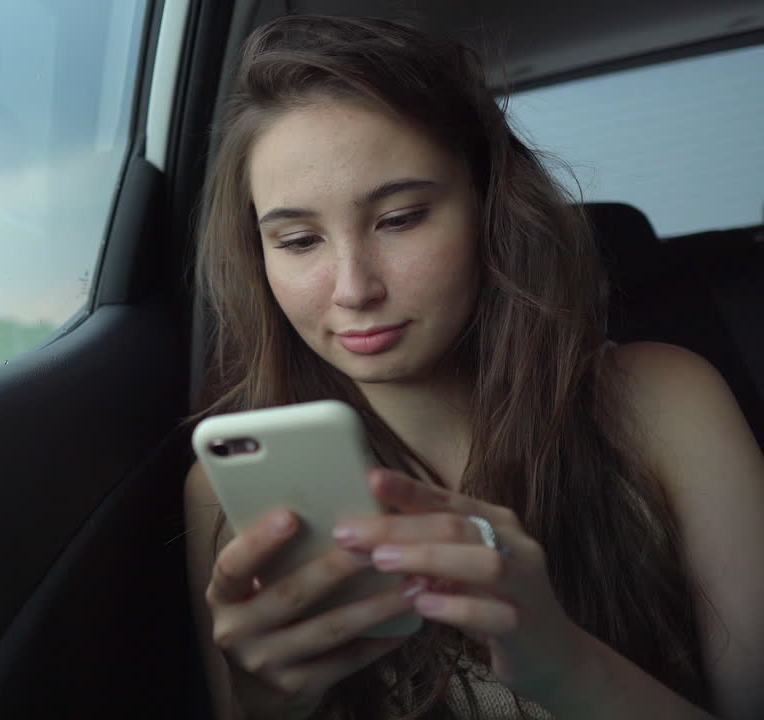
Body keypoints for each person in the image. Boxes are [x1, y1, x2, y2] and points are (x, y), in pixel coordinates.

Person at [183, 15, 764, 720]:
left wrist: (564, 662)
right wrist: (261, 706)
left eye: (400, 219)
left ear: (491, 208)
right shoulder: (228, 488)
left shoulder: (666, 401)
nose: (354, 288)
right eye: (299, 239)